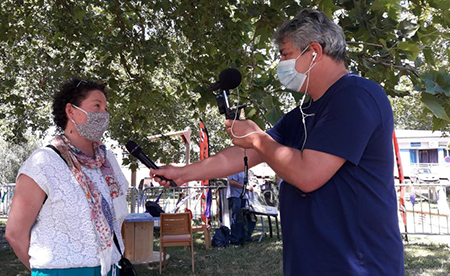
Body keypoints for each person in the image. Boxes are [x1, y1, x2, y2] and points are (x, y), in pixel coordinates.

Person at [151, 8, 404, 276]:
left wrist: (257, 138)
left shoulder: (356, 96)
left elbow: (307, 174)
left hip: (358, 265)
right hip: (312, 263)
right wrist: (183, 173)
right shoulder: (305, 113)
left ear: (314, 51)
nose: (280, 64)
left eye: (285, 55)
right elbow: (246, 154)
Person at [5, 79, 129, 276]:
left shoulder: (108, 162)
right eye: (96, 106)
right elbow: (14, 233)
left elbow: (115, 223)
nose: (103, 114)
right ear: (71, 111)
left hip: (112, 269)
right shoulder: (43, 162)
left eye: (106, 108)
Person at [227, 171, 256, 245]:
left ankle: (245, 237)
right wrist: (244, 186)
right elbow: (231, 182)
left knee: (248, 217)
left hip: (244, 196)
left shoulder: (245, 169)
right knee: (237, 217)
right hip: (236, 196)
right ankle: (235, 239)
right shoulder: (234, 168)